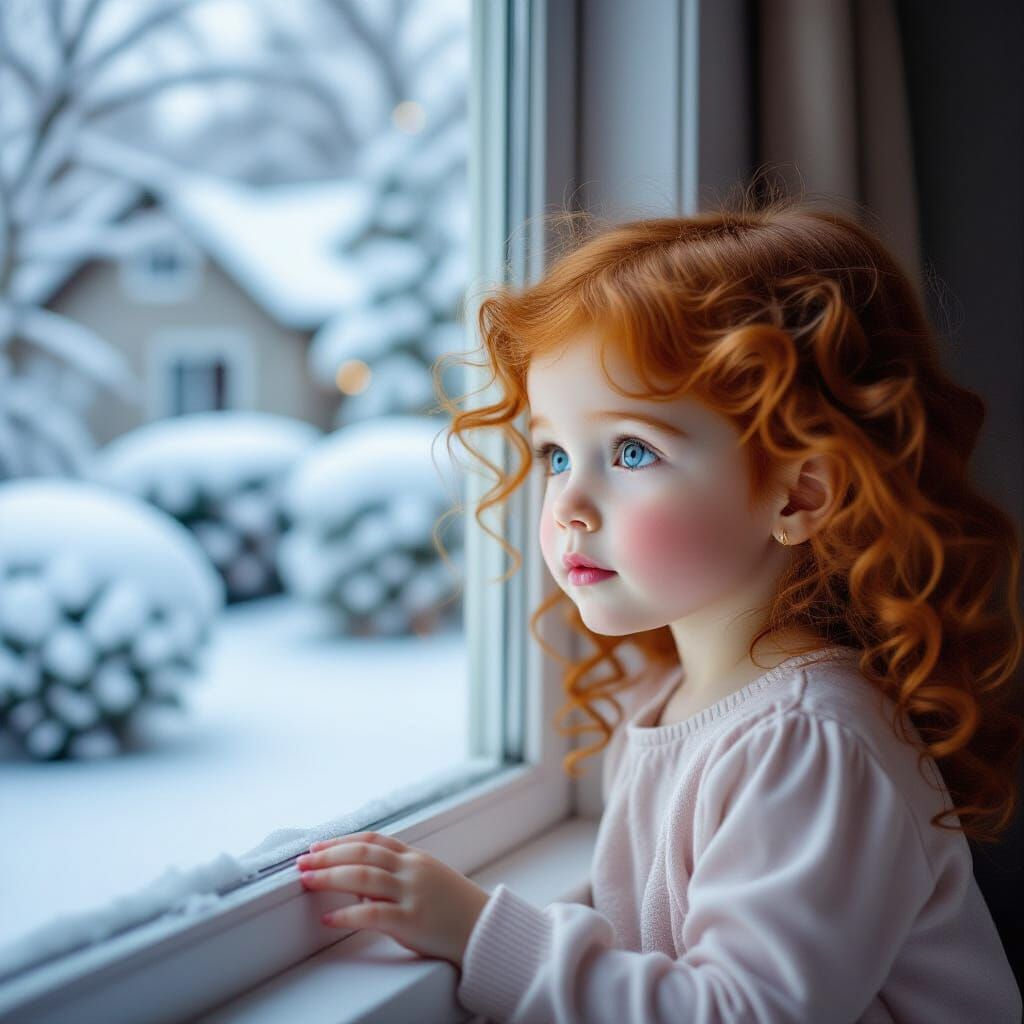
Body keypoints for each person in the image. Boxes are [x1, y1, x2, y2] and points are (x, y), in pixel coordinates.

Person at [297, 186, 1024, 1022]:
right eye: (556, 454)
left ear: (798, 495)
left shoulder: (808, 742)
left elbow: (739, 1012)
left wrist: (476, 931)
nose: (568, 502)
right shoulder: (680, 702)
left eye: (633, 450)